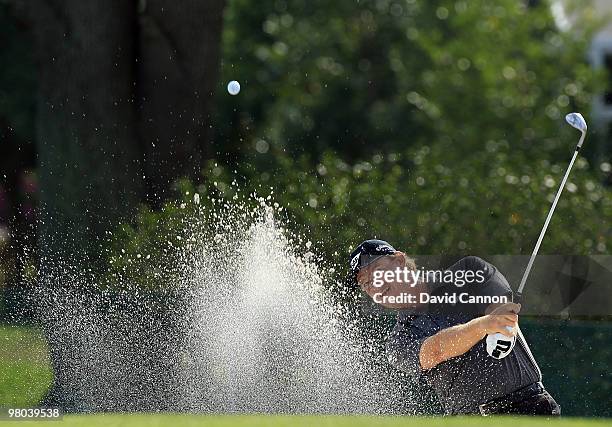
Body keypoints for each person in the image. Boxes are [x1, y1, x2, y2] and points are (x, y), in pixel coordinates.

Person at [349, 239, 561, 416]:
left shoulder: (468, 272)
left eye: (377, 272)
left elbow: (500, 305)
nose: (375, 286)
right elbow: (435, 351)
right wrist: (483, 326)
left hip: (531, 407)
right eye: (366, 284)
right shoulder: (398, 342)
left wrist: (502, 321)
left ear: (399, 260)